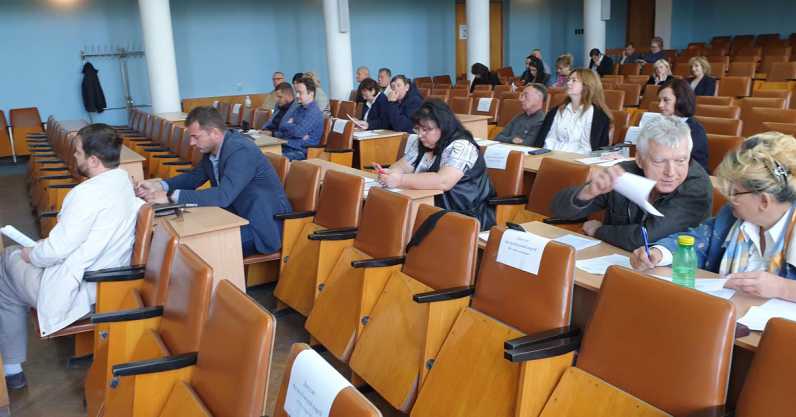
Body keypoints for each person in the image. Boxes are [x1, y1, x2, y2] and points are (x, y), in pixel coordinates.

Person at [0, 124, 143, 389]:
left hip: (80, 288)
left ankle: (12, 369)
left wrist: (33, 254)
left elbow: (55, 251)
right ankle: (11, 368)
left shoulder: (86, 193)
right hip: (106, 281)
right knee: (18, 260)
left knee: (6, 263)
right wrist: (45, 249)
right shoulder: (124, 181)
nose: (74, 156)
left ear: (94, 160)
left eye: (77, 152)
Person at [630, 133, 796, 301]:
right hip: (727, 310)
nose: (729, 199)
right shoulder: (731, 217)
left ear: (764, 202)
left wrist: (782, 288)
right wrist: (659, 253)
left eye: (735, 193)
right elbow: (697, 240)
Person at [135, 106, 291, 257]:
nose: (191, 143)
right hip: (233, 216)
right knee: (182, 241)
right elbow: (194, 177)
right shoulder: (213, 149)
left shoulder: (241, 150)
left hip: (260, 226)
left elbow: (223, 196)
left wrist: (170, 197)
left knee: (195, 249)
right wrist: (159, 185)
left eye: (196, 137)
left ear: (215, 133)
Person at [550, 116, 712, 251]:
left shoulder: (697, 187)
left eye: (680, 161)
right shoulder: (625, 171)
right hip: (611, 260)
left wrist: (599, 230)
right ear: (640, 159)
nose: (671, 172)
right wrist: (587, 192)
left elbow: (644, 239)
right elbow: (558, 211)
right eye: (659, 161)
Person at [377, 100, 496, 230]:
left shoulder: (462, 146)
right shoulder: (423, 142)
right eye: (418, 129)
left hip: (465, 216)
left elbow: (443, 181)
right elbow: (402, 166)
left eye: (426, 129)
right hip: (433, 209)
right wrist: (389, 173)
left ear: (443, 126)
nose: (420, 135)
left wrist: (400, 180)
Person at [533, 68, 612, 153]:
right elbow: (549, 139)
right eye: (569, 80)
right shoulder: (557, 110)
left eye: (574, 80)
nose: (568, 83)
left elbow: (587, 149)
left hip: (579, 159)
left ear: (586, 85)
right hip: (551, 156)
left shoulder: (598, 115)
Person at [657, 78, 709, 171]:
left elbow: (691, 166)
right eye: (659, 100)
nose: (660, 105)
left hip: (689, 175)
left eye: (666, 100)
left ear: (681, 100)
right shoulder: (661, 124)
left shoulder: (695, 130)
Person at [273, 77, 325, 160]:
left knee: (271, 159)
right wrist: (292, 127)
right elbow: (282, 126)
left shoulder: (314, 112)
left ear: (311, 93)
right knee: (261, 153)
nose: (297, 96)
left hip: (301, 151)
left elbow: (298, 132)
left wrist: (290, 125)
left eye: (300, 92)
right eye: (296, 92)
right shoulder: (298, 108)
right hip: (288, 146)